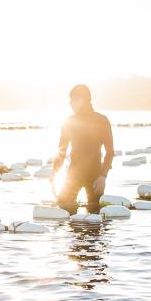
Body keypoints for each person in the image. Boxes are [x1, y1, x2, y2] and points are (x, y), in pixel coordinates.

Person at [53, 84, 115, 214]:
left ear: (85, 100)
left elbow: (110, 152)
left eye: (74, 99)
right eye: (70, 100)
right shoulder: (69, 121)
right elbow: (61, 152)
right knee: (63, 208)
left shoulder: (101, 120)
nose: (70, 103)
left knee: (95, 217)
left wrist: (103, 177)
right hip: (73, 174)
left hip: (95, 176)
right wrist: (54, 175)